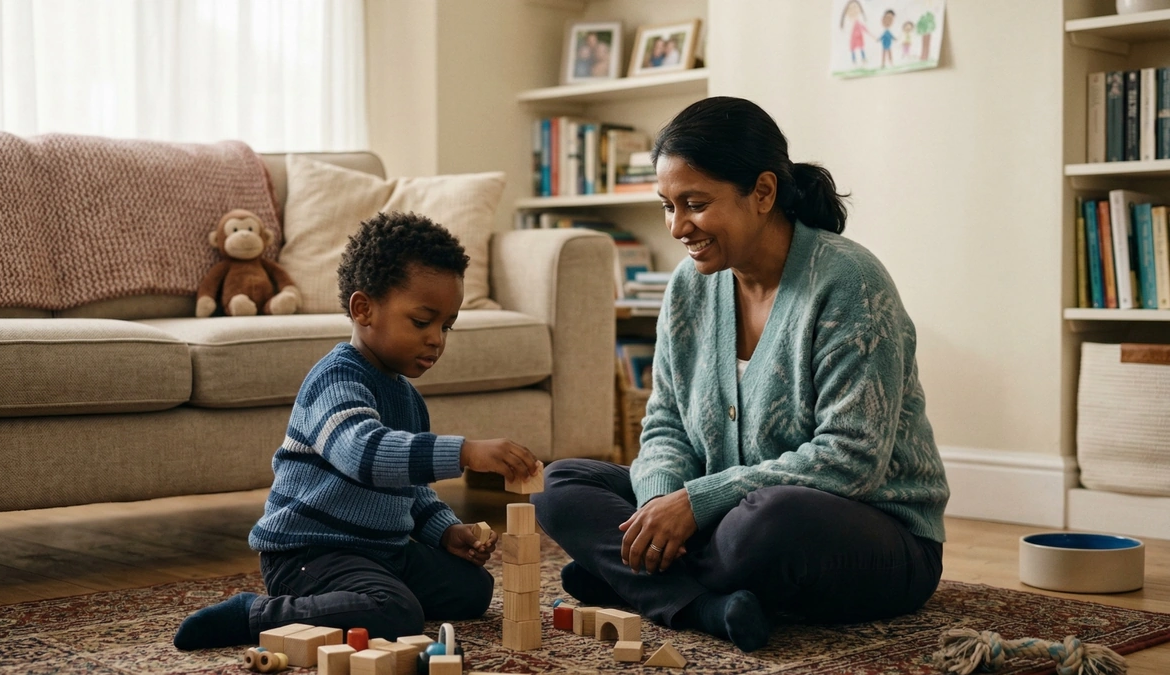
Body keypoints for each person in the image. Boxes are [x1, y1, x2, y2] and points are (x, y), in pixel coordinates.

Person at [533, 97, 949, 653]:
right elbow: (665, 423)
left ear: (763, 193)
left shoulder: (849, 282)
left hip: (870, 533)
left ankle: (630, 582)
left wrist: (695, 504)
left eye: (695, 204)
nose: (677, 226)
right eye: (666, 205)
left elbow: (852, 459)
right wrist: (657, 505)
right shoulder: (689, 286)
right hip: (726, 521)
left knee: (769, 522)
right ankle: (699, 602)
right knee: (557, 484)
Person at [173, 212, 540, 650]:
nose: (437, 340)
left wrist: (445, 531)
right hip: (310, 553)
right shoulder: (335, 379)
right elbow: (363, 453)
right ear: (363, 309)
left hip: (381, 551)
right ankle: (255, 614)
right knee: (395, 612)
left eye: (446, 326)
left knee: (473, 589)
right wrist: (464, 453)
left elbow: (412, 490)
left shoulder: (407, 398)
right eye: (422, 322)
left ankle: (361, 596)